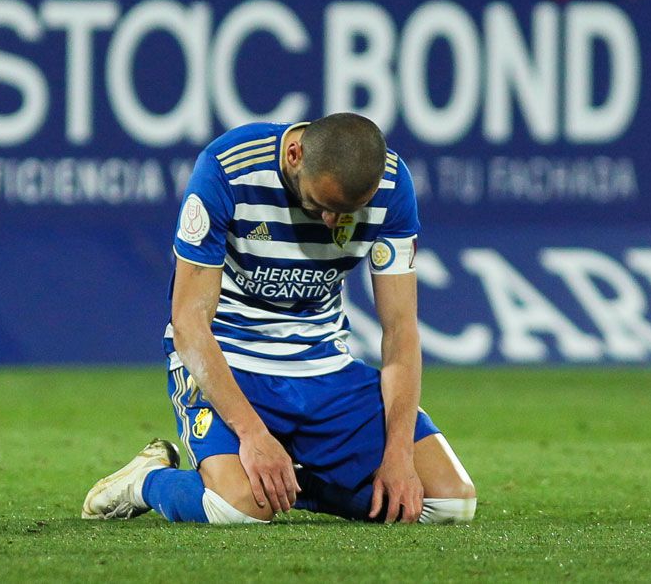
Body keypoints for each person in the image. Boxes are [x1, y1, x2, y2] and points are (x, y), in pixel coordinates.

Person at [82, 114, 477, 525]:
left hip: (325, 367)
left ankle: (288, 489)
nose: (333, 224)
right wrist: (253, 436)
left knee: (449, 503)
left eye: (349, 213)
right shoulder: (228, 168)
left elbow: (400, 330)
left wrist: (399, 454)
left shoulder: (393, 184)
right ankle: (147, 481)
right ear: (294, 155)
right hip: (232, 361)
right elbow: (189, 323)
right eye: (322, 206)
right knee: (235, 510)